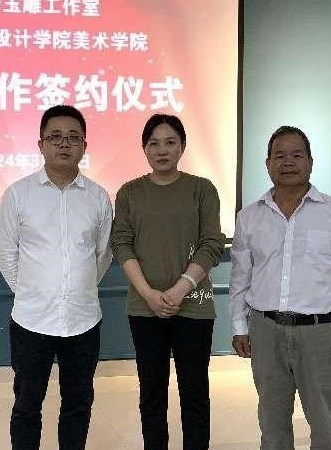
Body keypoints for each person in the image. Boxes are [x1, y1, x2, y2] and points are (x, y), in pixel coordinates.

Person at [229, 125, 331, 450]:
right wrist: (240, 326)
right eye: (279, 155)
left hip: (320, 334)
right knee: (272, 424)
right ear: (268, 164)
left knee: (326, 424)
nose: (288, 162)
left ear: (310, 161)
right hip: (265, 332)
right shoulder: (249, 217)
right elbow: (240, 278)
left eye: (296, 154)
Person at [0, 105, 114, 450]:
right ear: (41, 144)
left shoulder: (98, 197)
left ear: (84, 146)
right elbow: (5, 252)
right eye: (56, 137)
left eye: (73, 137)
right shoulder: (18, 194)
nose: (64, 143)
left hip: (83, 320)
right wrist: (32, 291)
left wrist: (76, 289)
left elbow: (103, 255)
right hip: (31, 320)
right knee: (27, 405)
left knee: (78, 403)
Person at [109, 114, 226, 450]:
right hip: (144, 308)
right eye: (154, 143)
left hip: (194, 307)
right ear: (144, 149)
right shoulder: (130, 192)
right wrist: (148, 294)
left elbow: (211, 243)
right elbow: (121, 243)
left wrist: (179, 289)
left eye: (170, 142)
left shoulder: (202, 189)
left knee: (194, 392)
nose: (162, 150)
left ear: (182, 146)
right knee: (152, 392)